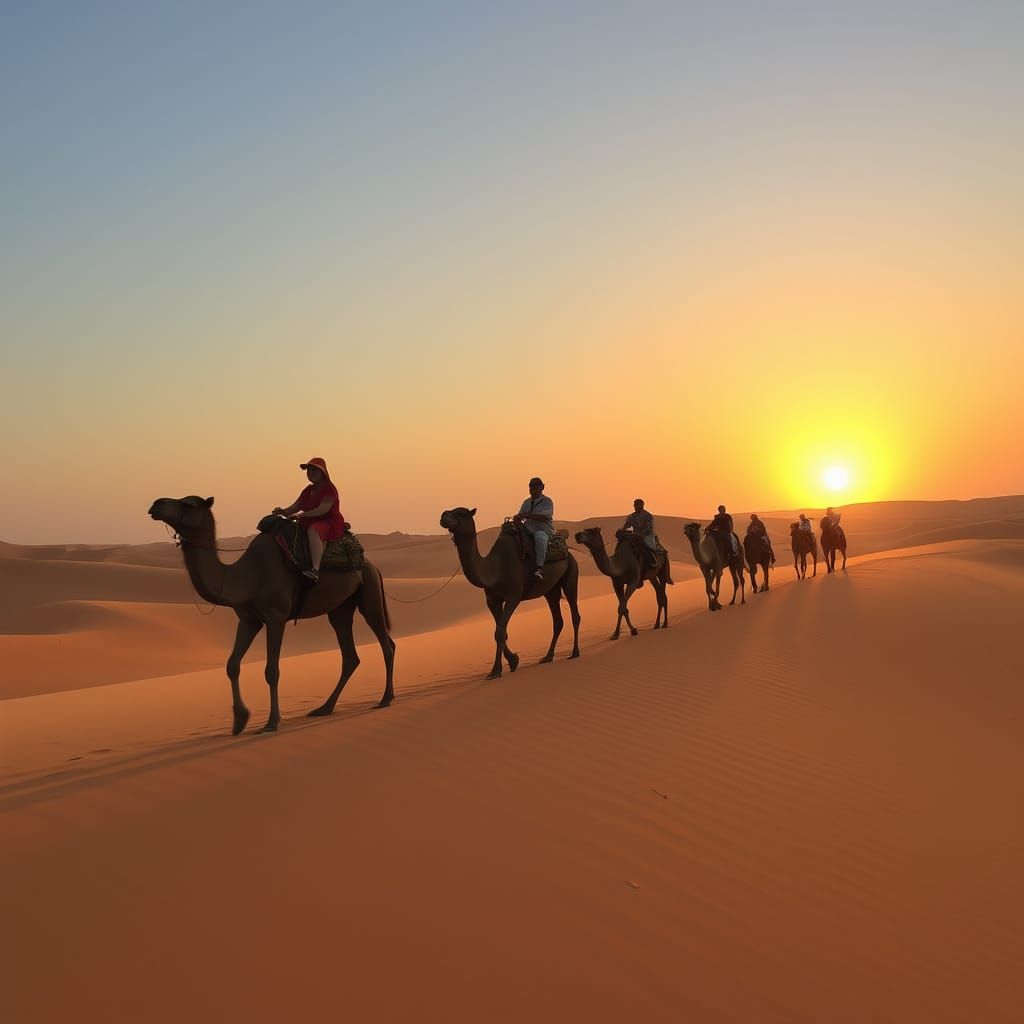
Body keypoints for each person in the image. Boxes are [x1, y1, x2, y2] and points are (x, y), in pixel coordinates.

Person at [272, 457, 347, 583]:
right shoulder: (308, 490)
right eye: (309, 470)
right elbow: (296, 506)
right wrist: (283, 511)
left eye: (314, 470)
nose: (311, 473)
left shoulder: (329, 489)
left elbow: (323, 509)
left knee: (313, 531)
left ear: (322, 472)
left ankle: (315, 570)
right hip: (309, 520)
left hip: (328, 522)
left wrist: (302, 515)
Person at [514, 477, 555, 580]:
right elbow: (520, 514)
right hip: (528, 529)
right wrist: (517, 518)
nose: (533, 490)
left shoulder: (547, 501)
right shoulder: (526, 502)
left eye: (536, 487)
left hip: (543, 530)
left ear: (542, 487)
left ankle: (539, 568)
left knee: (540, 538)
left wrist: (526, 516)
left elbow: (544, 517)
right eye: (531, 488)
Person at [622, 498, 658, 568]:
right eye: (635, 505)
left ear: (642, 506)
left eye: (637, 505)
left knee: (649, 546)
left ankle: (653, 560)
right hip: (634, 536)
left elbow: (649, 528)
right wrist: (621, 531)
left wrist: (640, 533)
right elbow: (626, 526)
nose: (635, 507)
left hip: (646, 536)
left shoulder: (648, 516)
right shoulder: (631, 517)